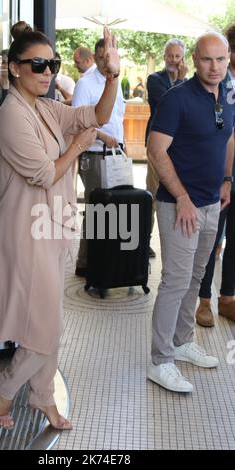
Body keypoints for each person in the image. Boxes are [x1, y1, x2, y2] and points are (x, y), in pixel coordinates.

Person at [0, 27, 120, 430]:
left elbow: (95, 115)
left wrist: (112, 77)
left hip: (51, 227)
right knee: (45, 326)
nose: (47, 73)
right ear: (14, 68)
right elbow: (44, 174)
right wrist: (79, 146)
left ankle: (41, 395)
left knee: (48, 321)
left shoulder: (43, 107)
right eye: (38, 64)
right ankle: (5, 386)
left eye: (53, 64)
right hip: (25, 236)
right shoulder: (11, 115)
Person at [147, 32, 234, 393]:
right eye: (206, 60)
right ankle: (160, 360)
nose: (214, 67)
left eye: (221, 60)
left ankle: (183, 342)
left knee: (198, 276)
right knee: (175, 281)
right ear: (193, 60)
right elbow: (155, 149)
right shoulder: (176, 99)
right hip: (178, 205)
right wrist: (182, 196)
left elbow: (229, 137)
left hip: (213, 201)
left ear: (228, 59)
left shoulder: (229, 95)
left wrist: (227, 179)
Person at [72, 37, 125, 278]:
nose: (107, 62)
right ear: (95, 57)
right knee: (98, 210)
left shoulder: (115, 80)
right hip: (94, 155)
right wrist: (103, 137)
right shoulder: (85, 84)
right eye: (103, 57)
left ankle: (103, 261)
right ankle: (87, 263)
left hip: (117, 154)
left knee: (114, 209)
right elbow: (78, 122)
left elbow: (117, 117)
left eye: (111, 57)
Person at [195, 24, 235, 327]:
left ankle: (227, 298)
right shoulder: (219, 81)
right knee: (211, 237)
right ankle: (204, 300)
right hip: (219, 171)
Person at [146, 39, 188, 258]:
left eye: (178, 56)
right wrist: (181, 81)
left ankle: (177, 244)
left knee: (178, 194)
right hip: (158, 148)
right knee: (152, 195)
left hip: (179, 150)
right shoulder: (155, 79)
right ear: (164, 57)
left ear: (183, 58)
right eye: (170, 56)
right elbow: (167, 104)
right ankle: (145, 242)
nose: (173, 60)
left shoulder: (190, 83)